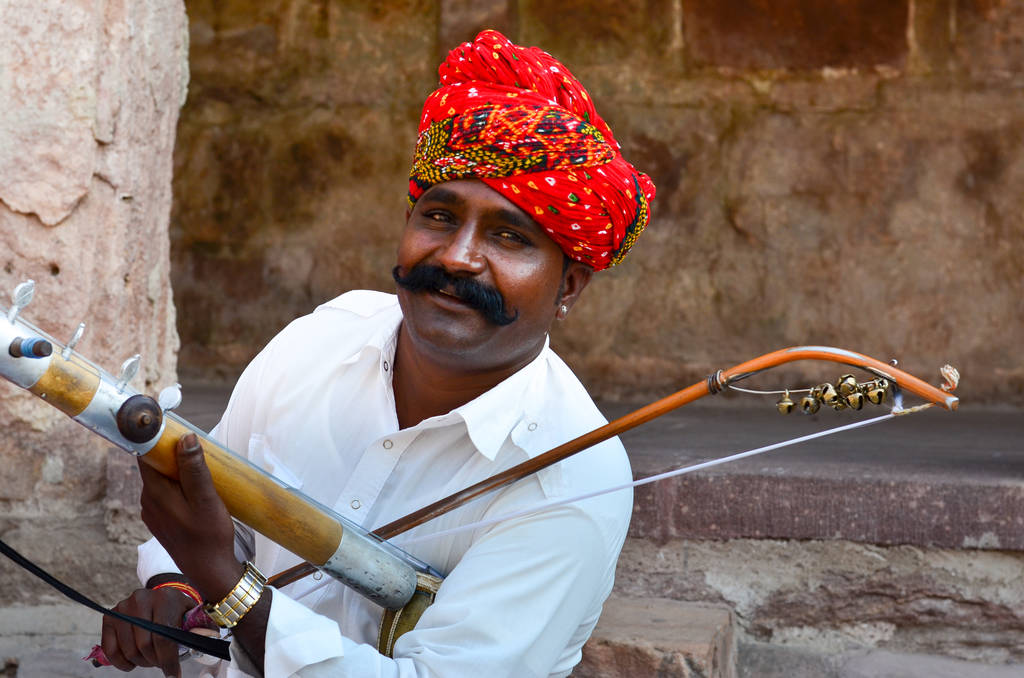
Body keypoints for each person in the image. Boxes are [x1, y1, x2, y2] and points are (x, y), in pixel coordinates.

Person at [100, 29, 656, 678]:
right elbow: (221, 524)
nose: (457, 256)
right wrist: (179, 590)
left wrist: (223, 582)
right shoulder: (322, 340)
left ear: (568, 287)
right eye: (440, 217)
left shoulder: (573, 477)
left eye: (509, 236)